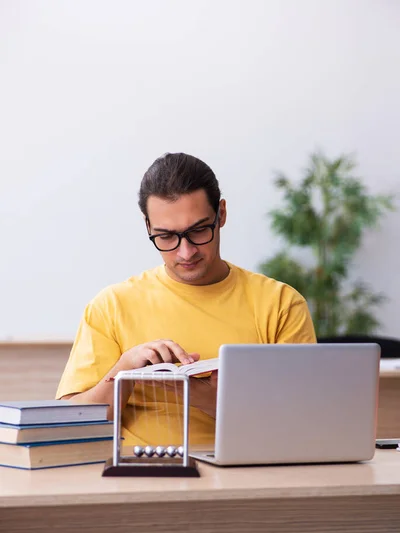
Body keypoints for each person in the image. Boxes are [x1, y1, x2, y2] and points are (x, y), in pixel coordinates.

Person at [57, 153, 316, 447]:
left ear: (222, 214)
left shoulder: (280, 304)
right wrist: (123, 372)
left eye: (198, 230)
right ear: (148, 227)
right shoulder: (110, 306)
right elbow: (71, 424)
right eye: (166, 237)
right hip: (136, 478)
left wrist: (207, 398)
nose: (186, 252)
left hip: (247, 476)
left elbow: (304, 422)